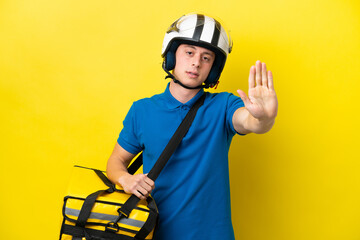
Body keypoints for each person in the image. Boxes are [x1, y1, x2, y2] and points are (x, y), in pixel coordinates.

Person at [106, 13, 278, 240]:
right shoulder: (142, 110)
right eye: (189, 52)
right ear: (171, 56)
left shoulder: (224, 105)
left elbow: (249, 121)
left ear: (213, 69)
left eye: (206, 58)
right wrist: (125, 179)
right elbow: (115, 163)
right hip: (155, 233)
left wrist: (264, 118)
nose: (196, 62)